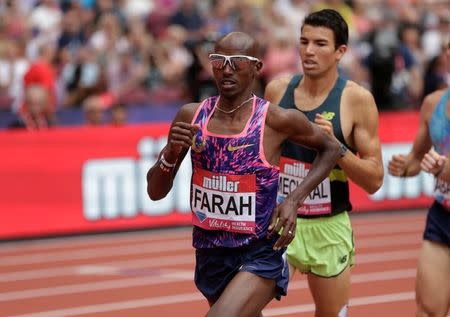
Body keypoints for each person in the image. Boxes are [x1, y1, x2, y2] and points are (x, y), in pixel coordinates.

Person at [147, 31, 341, 317]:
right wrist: (170, 155)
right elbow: (155, 192)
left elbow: (331, 149)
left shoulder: (275, 120)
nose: (226, 69)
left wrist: (293, 201)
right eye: (219, 60)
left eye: (237, 61)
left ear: (256, 67)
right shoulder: (191, 116)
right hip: (210, 254)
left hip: (260, 252)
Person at [264, 9, 383, 317]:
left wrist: (337, 149)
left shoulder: (356, 100)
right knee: (243, 306)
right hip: (280, 219)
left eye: (320, 43)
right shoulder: (277, 91)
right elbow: (260, 156)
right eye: (303, 42)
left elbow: (374, 179)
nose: (308, 51)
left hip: (329, 226)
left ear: (341, 51)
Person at [388, 40, 450, 317]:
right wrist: (403, 166)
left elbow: (439, 167)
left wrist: (441, 169)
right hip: (443, 216)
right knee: (427, 310)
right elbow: (416, 158)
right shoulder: (433, 104)